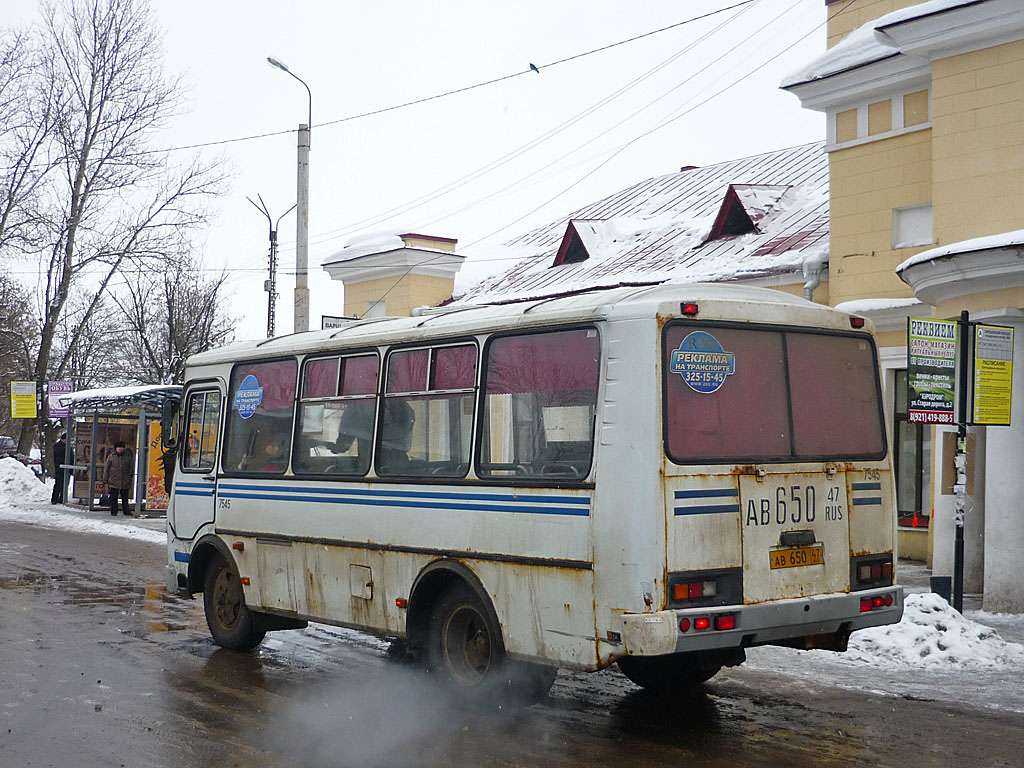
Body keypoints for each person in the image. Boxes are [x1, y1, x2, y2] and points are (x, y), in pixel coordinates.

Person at [102, 440, 135, 517]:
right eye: (118, 447)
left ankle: (126, 510)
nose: (120, 449)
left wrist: (130, 476)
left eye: (121, 447)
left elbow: (131, 467)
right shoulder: (111, 457)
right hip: (113, 480)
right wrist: (105, 479)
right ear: (115, 448)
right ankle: (114, 511)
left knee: (125, 497)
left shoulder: (128, 457)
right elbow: (107, 468)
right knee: (113, 498)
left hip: (124, 480)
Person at [50, 433, 71, 505]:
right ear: (63, 439)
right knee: (59, 484)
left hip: (66, 469)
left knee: (65, 484)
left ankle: (62, 498)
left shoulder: (67, 446)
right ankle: (55, 499)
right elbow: (59, 457)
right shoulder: (58, 447)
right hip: (60, 469)